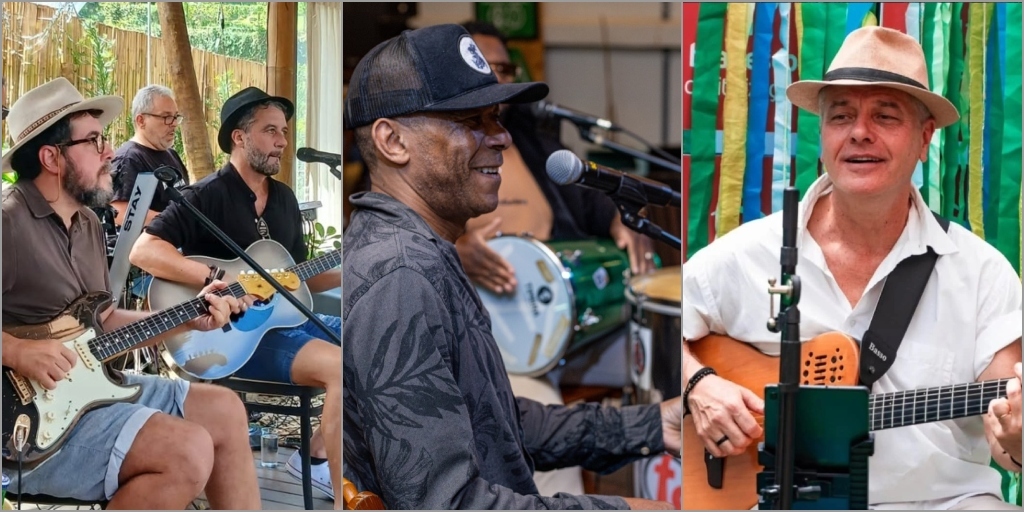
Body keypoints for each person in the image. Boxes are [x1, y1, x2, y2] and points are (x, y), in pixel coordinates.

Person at [682, 26, 1022, 510]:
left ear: (925, 137)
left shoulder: (982, 273)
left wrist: (1018, 438)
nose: (860, 132)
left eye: (885, 116)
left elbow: (1009, 443)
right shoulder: (746, 253)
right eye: (841, 116)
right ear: (822, 135)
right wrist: (698, 383)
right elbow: (665, 339)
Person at [343, 23, 681, 510]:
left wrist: (650, 424)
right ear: (393, 142)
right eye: (472, 120)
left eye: (495, 116)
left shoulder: (422, 248)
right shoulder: (400, 278)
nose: (501, 136)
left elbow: (495, 422)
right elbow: (450, 504)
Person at [1, 77, 260, 509]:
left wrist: (188, 317)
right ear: (51, 157)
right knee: (186, 450)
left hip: (91, 387)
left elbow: (101, 325)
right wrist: (14, 351)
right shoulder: (9, 221)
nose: (109, 152)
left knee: (225, 409)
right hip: (25, 424)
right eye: (94, 140)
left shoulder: (85, 225)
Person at [457, 20, 663, 497]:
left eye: (503, 69)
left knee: (658, 373)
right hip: (497, 352)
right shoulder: (438, 162)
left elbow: (602, 201)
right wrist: (454, 252)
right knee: (542, 453)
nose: (495, 80)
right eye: (483, 68)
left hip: (570, 331)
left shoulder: (538, 146)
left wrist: (624, 222)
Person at [129, 86, 342, 505]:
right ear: (240, 138)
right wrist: (212, 275)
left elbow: (295, 278)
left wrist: (350, 268)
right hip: (233, 338)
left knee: (375, 340)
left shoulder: (283, 198)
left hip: (288, 322)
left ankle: (316, 456)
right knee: (342, 366)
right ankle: (340, 499)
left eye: (283, 131)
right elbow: (144, 250)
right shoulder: (208, 194)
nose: (282, 141)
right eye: (270, 131)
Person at [110, 84, 189, 227]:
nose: (174, 124)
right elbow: (119, 213)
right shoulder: (129, 159)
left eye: (175, 116)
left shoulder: (171, 154)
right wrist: (178, 221)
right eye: (166, 117)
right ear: (141, 121)